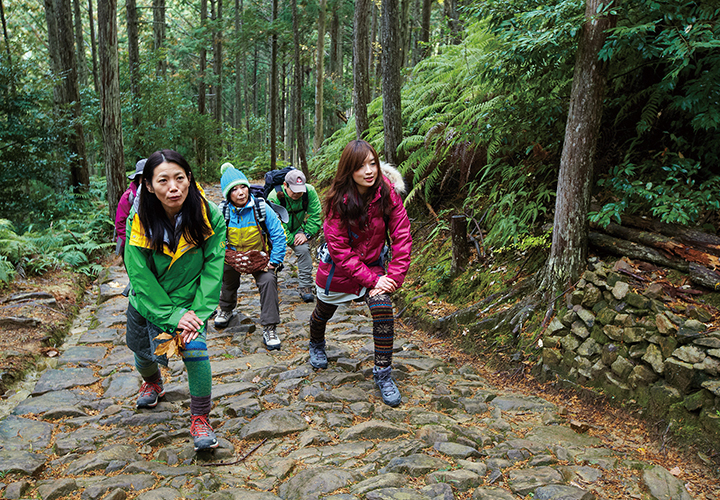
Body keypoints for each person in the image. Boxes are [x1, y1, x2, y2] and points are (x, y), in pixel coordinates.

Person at [124, 149, 225, 451]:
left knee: (196, 351)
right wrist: (170, 314)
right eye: (163, 180)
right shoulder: (139, 220)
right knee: (142, 350)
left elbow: (213, 265)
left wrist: (198, 312)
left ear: (189, 179)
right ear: (149, 186)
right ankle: (153, 382)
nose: (174, 187)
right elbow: (139, 275)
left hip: (191, 302)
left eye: (180, 178)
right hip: (148, 302)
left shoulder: (208, 215)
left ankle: (200, 418)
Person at [308, 140, 412, 407]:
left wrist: (392, 278)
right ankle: (316, 342)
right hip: (338, 271)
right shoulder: (337, 202)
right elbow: (340, 250)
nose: (369, 171)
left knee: (382, 308)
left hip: (374, 267)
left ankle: (383, 373)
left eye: (373, 163)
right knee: (324, 310)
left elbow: (401, 235)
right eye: (360, 166)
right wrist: (373, 279)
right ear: (348, 170)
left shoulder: (388, 193)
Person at [214, 163, 287, 351]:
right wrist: (223, 255)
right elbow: (214, 238)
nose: (240, 193)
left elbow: (278, 234)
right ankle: (226, 309)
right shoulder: (222, 212)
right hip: (234, 257)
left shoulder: (261, 208)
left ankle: (270, 328)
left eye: (243, 187)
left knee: (269, 280)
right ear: (227, 194)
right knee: (227, 279)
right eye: (234, 189)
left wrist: (275, 261)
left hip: (260, 258)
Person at [266, 169, 322, 302]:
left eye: (300, 190)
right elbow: (276, 224)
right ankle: (269, 285)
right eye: (294, 190)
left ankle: (306, 286)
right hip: (276, 232)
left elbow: (316, 215)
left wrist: (306, 234)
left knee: (303, 250)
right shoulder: (274, 196)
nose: (297, 193)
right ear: (285, 185)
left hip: (297, 227)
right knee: (271, 255)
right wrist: (290, 239)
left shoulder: (309, 192)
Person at [115, 158, 146, 259]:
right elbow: (120, 223)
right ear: (138, 179)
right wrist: (131, 243)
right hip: (129, 243)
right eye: (144, 178)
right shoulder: (128, 197)